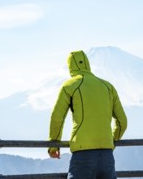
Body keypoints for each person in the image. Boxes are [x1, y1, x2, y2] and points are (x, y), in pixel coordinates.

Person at [48, 50, 128, 179]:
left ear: (70, 66)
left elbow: (57, 117)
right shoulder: (108, 86)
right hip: (107, 154)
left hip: (82, 154)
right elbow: (122, 121)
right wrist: (111, 141)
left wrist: (53, 145)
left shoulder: (70, 86)